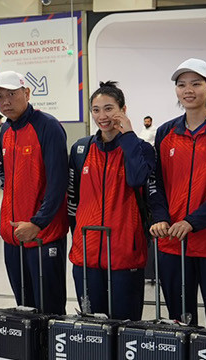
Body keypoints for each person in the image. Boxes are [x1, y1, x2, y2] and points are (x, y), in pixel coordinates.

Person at [148, 58, 206, 328]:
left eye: (196, 84)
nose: (188, 90)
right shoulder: (166, 132)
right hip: (173, 243)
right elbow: (157, 182)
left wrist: (193, 222)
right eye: (181, 85)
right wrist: (160, 216)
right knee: (179, 322)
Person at [66, 81, 156, 320]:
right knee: (92, 330)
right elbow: (73, 200)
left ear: (123, 110)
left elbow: (137, 179)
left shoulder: (140, 148)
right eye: (96, 110)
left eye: (109, 108)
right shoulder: (81, 149)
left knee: (125, 327)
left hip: (125, 254)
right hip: (86, 254)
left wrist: (128, 136)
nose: (102, 116)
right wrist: (79, 237)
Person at [0, 70, 68, 314]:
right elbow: (3, 170)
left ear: (26, 93)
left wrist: (38, 223)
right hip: (13, 236)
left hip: (42, 235)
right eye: (0, 96)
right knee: (24, 309)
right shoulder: (6, 131)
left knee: (48, 309)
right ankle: (30, 352)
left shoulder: (48, 126)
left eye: (11, 94)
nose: (5, 101)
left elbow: (58, 182)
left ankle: (50, 353)